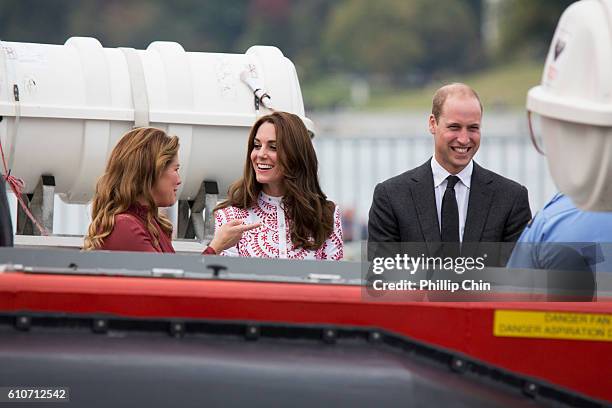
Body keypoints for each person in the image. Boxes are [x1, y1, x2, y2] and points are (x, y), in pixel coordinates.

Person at [368, 83, 531, 263]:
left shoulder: (512, 198)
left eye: (473, 128)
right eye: (454, 127)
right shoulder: (391, 196)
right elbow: (382, 280)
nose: (464, 139)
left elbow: (518, 280)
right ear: (432, 124)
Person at [84, 127, 259, 253]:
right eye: (175, 170)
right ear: (151, 172)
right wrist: (216, 246)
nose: (179, 180)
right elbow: (173, 294)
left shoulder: (148, 223)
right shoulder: (126, 226)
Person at [214, 111, 343, 260]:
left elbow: (332, 278)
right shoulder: (230, 216)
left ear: (295, 154)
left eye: (273, 147)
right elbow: (228, 278)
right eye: (256, 145)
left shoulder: (327, 215)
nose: (260, 154)